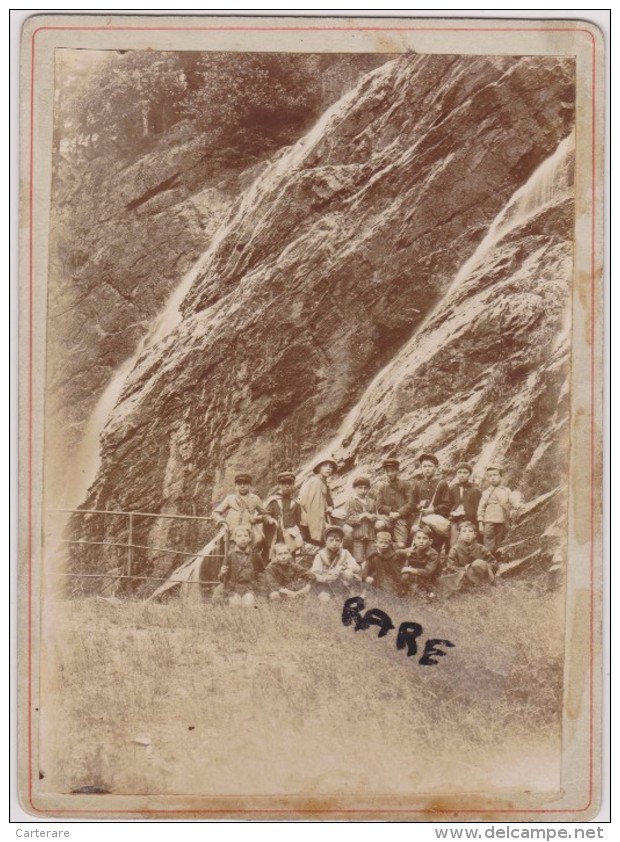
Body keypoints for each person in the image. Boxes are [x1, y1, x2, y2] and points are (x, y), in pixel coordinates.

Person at [212, 473, 271, 551]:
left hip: (248, 535)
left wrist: (256, 518)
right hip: (231, 534)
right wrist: (223, 522)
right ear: (236, 486)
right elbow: (215, 513)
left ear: (250, 485)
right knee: (231, 557)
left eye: (245, 483)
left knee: (248, 557)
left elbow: (265, 515)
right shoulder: (230, 498)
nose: (242, 486)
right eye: (239, 484)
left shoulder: (255, 498)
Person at [212, 525, 263, 606]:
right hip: (233, 588)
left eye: (246, 536)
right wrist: (222, 573)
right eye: (239, 536)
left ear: (249, 539)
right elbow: (222, 579)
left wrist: (259, 587)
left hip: (250, 587)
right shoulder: (230, 555)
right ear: (235, 539)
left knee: (248, 603)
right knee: (235, 604)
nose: (243, 538)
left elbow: (261, 573)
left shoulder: (255, 555)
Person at [411, 453, 451, 554]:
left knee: (435, 544)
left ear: (435, 468)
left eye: (430, 466)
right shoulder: (417, 484)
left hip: (436, 521)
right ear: (421, 468)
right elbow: (412, 503)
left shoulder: (441, 484)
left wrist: (433, 510)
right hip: (421, 519)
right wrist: (418, 506)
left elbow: (447, 504)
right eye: (424, 466)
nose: (427, 469)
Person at [477, 465, 519, 558]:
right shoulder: (486, 492)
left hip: (502, 520)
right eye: (490, 476)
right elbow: (481, 508)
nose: (492, 478)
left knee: (500, 542)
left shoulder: (506, 490)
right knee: (488, 541)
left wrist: (516, 506)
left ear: (501, 477)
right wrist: (480, 522)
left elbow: (513, 501)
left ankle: (498, 559)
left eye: (495, 475)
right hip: (488, 521)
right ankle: (488, 560)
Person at [310, 525, 361, 599]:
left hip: (340, 582)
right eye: (331, 540)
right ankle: (325, 594)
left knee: (349, 573)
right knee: (325, 599)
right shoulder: (321, 555)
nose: (334, 543)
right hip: (324, 583)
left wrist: (344, 568)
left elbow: (357, 568)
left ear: (341, 541)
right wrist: (326, 578)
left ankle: (343, 593)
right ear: (326, 541)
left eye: (337, 540)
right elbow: (313, 574)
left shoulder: (344, 553)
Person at [374, 458, 414, 548]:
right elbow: (379, 506)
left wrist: (399, 513)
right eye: (387, 471)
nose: (389, 474)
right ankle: (380, 544)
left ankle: (390, 547)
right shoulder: (382, 487)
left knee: (401, 545)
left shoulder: (406, 485)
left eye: (392, 471)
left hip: (402, 519)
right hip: (388, 517)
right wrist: (391, 511)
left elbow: (411, 504)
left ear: (397, 471)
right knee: (378, 525)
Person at [264, 471, 304, 556]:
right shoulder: (274, 501)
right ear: (279, 485)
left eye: (290, 483)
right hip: (276, 533)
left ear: (293, 485)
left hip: (291, 534)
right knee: (275, 556)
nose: (287, 486)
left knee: (290, 554)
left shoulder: (296, 503)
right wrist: (270, 519)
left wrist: (302, 539)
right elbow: (265, 514)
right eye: (284, 483)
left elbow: (299, 522)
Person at [298, 457, 337, 546]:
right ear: (319, 468)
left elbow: (327, 501)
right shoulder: (315, 482)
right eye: (325, 466)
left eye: (330, 466)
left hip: (321, 516)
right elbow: (313, 507)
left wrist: (330, 507)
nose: (328, 468)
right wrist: (322, 526)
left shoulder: (322, 482)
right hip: (312, 520)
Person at [362, 530, 408, 597]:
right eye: (381, 542)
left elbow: (396, 574)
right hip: (376, 580)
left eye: (386, 543)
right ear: (376, 543)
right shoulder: (373, 556)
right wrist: (366, 577)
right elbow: (365, 571)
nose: (383, 545)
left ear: (390, 543)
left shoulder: (393, 556)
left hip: (390, 582)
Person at [345, 475, 379, 564]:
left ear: (368, 489)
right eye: (360, 488)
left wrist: (372, 517)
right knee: (358, 560)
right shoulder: (351, 501)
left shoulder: (372, 501)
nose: (363, 491)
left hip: (371, 536)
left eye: (365, 488)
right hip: (358, 537)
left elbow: (376, 516)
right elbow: (348, 519)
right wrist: (362, 515)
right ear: (354, 488)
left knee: (372, 559)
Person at [400, 525, 441, 596]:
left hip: (430, 578)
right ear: (414, 540)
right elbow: (398, 553)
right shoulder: (413, 549)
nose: (421, 541)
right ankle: (405, 590)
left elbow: (428, 572)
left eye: (424, 538)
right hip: (417, 574)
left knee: (430, 593)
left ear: (430, 541)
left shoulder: (433, 554)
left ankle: (425, 591)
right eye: (418, 538)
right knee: (405, 575)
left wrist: (410, 570)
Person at [448, 463, 482, 546]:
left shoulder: (475, 490)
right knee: (454, 543)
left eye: (465, 472)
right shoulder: (452, 489)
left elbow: (479, 507)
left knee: (471, 543)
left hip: (471, 520)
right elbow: (449, 504)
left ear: (470, 474)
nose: (462, 475)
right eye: (459, 472)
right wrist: (452, 513)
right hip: (456, 521)